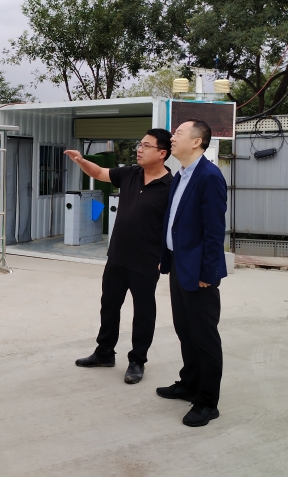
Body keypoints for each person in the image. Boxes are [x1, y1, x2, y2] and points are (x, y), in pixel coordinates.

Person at [65, 129, 173, 385]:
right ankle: (104, 353)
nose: (140, 149)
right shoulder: (130, 174)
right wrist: (81, 161)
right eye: (140, 144)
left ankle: (137, 360)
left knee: (143, 312)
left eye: (146, 146)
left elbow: (175, 226)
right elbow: (99, 173)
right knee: (109, 305)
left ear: (162, 153)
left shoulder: (172, 186)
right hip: (117, 256)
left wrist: (167, 256)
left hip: (146, 260)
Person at [157, 118, 227, 427]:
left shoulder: (209, 177)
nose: (172, 137)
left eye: (179, 133)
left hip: (199, 272)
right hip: (179, 265)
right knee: (185, 330)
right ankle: (189, 383)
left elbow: (214, 231)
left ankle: (207, 402)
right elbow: (172, 222)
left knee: (204, 336)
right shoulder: (181, 174)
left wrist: (208, 273)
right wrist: (165, 258)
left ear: (196, 142)